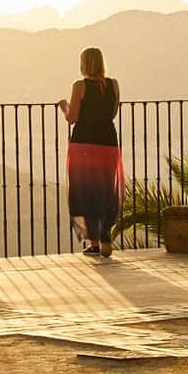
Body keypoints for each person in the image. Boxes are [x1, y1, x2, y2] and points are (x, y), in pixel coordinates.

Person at [60, 47, 122, 260]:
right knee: (105, 188)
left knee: (85, 190)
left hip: (84, 144)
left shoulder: (80, 86)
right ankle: (105, 236)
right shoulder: (113, 85)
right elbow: (112, 113)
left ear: (84, 64)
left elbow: (72, 118)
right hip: (108, 142)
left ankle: (94, 242)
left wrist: (64, 106)